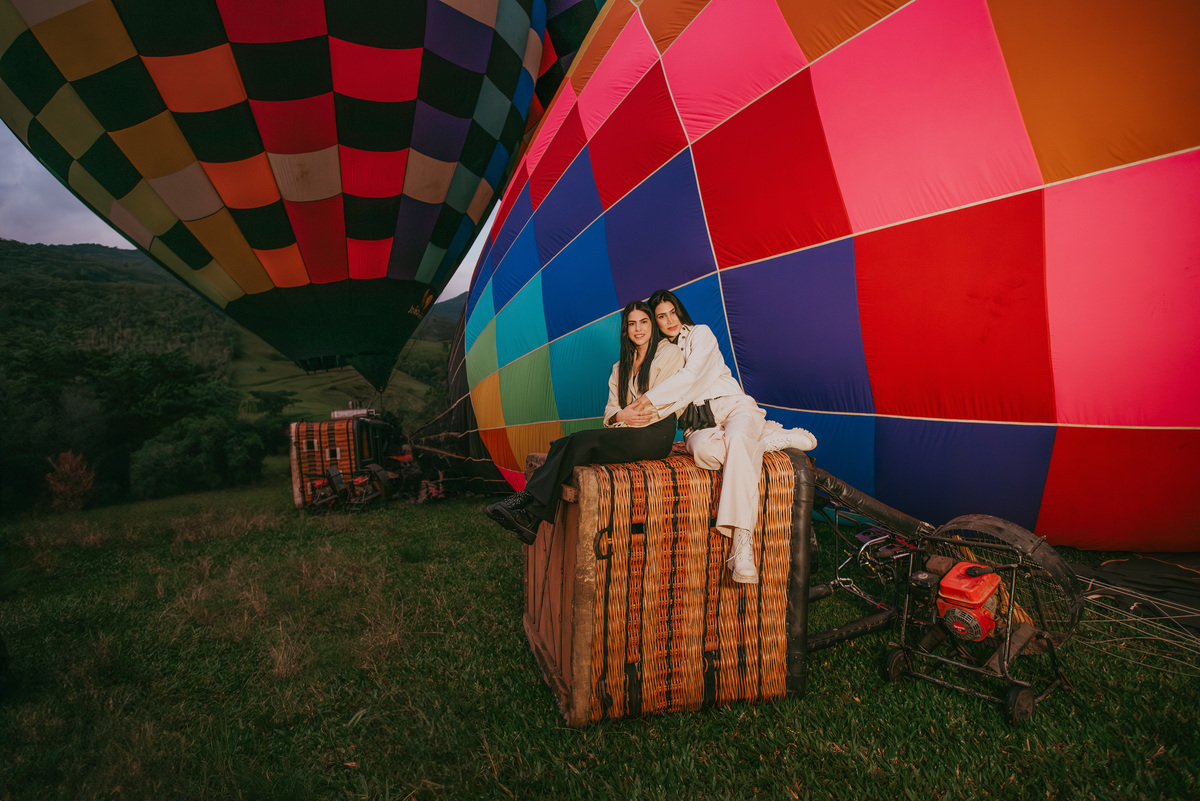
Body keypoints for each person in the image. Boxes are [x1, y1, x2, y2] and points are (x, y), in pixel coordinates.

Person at [627, 289, 817, 585]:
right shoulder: (660, 353)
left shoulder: (700, 335)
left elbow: (689, 378)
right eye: (661, 316)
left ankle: (742, 546)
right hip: (700, 426)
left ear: (680, 311)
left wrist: (645, 401)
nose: (669, 320)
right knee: (704, 454)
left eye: (672, 312)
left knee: (739, 441)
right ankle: (768, 440)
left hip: (732, 407)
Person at [485, 300, 685, 544]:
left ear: (652, 325)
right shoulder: (620, 367)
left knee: (575, 441)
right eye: (631, 323)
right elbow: (611, 410)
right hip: (629, 431)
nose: (638, 328)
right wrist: (621, 415)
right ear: (625, 329)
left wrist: (630, 414)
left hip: (656, 433)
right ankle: (530, 520)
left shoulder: (670, 353)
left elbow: (666, 397)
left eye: (644, 322)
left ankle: (522, 501)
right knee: (568, 443)